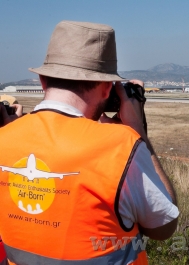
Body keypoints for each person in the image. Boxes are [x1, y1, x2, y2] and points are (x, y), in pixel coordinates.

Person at [0, 20, 179, 264]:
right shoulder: (121, 146)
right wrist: (138, 132)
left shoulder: (5, 136)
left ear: (42, 80)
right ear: (107, 89)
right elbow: (164, 228)